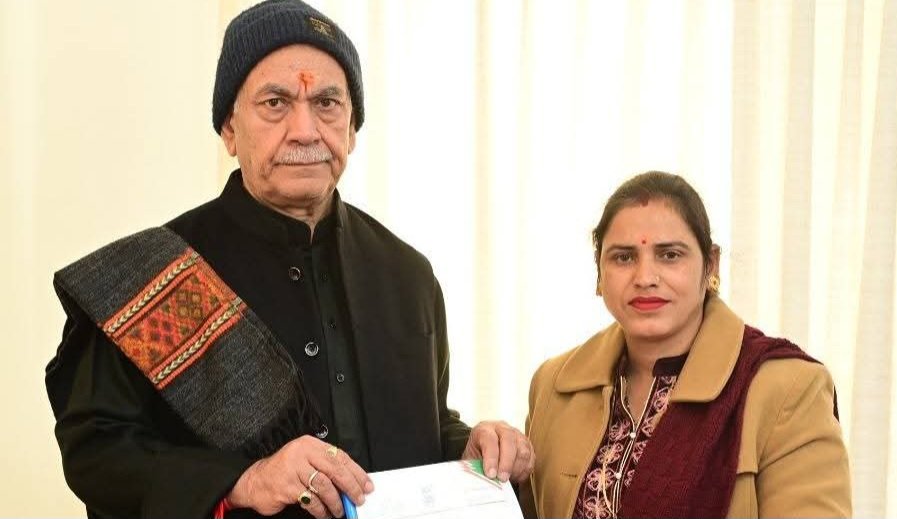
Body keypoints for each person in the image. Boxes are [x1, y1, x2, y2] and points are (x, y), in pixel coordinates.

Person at [45, 1, 533, 518]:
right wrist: (244, 481)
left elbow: (422, 426)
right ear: (229, 129)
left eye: (327, 103)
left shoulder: (407, 275)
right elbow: (97, 453)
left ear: (352, 128)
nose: (305, 130)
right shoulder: (155, 276)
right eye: (275, 103)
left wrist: (469, 449)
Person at [520, 171, 851, 518]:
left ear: (711, 265)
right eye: (624, 257)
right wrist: (494, 467)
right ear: (599, 273)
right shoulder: (553, 386)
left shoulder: (786, 389)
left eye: (670, 255)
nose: (645, 278)